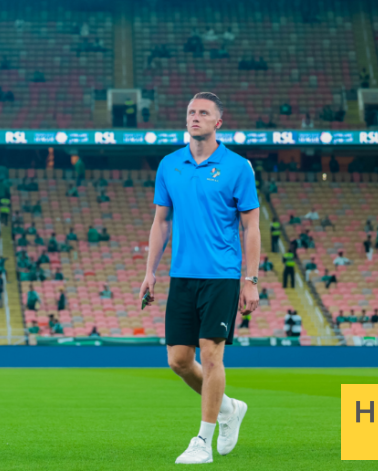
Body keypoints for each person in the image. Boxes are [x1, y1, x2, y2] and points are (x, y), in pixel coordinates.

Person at [138, 92, 259, 464]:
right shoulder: (169, 164)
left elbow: (251, 227)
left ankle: (203, 441)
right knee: (178, 360)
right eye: (191, 111)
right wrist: (150, 272)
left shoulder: (238, 167)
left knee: (211, 353)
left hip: (221, 275)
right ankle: (228, 408)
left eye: (204, 112)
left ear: (218, 122)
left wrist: (250, 279)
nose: (195, 117)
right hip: (182, 276)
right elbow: (161, 222)